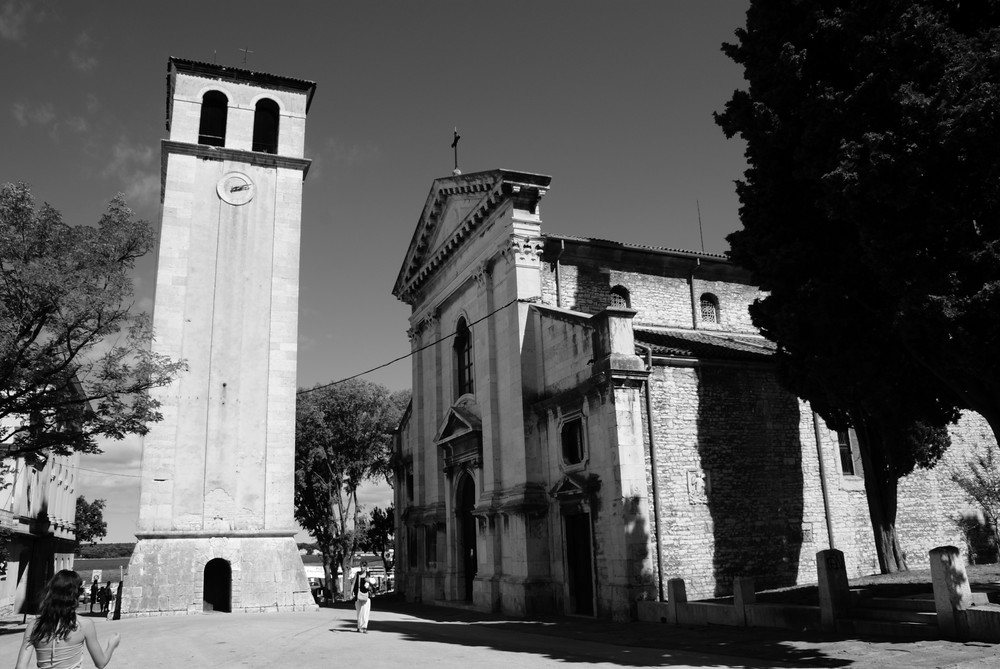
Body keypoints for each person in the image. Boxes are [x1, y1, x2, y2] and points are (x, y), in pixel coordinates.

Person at [15, 570, 120, 669]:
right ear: (76, 594)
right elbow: (100, 663)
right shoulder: (84, 624)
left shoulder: (34, 625)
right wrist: (112, 645)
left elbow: (20, 667)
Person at [352, 562, 374, 633]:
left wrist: (369, 581)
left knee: (365, 612)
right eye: (361, 566)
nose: (362, 567)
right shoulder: (357, 574)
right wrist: (351, 593)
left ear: (366, 567)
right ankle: (359, 627)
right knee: (359, 612)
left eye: (363, 566)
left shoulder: (368, 575)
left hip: (366, 595)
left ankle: (364, 627)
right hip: (358, 595)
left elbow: (373, 584)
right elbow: (353, 583)